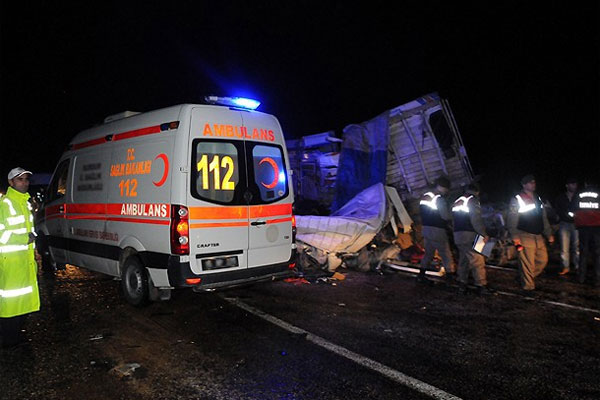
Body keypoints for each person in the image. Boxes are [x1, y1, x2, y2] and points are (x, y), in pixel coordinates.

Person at [0, 167, 40, 347]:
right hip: (11, 262)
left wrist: (33, 248)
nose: (24, 183)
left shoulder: (25, 202)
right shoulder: (6, 203)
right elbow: (2, 235)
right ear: (11, 183)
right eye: (20, 180)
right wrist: (25, 239)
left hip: (24, 261)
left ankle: (15, 336)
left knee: (21, 302)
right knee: (10, 303)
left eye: (26, 179)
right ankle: (9, 340)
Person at [507, 174, 554, 293]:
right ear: (524, 185)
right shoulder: (517, 199)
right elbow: (512, 219)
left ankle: (524, 277)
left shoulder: (537, 198)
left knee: (543, 260)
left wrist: (549, 234)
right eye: (530, 182)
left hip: (538, 236)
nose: (533, 184)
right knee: (527, 263)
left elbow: (543, 218)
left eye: (534, 182)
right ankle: (528, 288)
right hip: (524, 235)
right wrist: (515, 236)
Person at [452, 183, 494, 295]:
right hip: (470, 235)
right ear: (477, 192)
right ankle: (481, 285)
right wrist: (484, 234)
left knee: (464, 260)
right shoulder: (472, 200)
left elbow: (453, 220)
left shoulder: (458, 201)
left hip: (458, 235)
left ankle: (462, 283)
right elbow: (476, 220)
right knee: (477, 260)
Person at [417, 176, 456, 284]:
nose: (447, 191)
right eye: (447, 189)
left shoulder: (425, 196)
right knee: (446, 253)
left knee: (428, 254)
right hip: (437, 230)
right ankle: (450, 276)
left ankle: (421, 275)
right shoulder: (439, 199)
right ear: (443, 187)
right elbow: (445, 216)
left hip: (426, 228)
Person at [572, 181, 600, 287]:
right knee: (597, 254)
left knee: (583, 252)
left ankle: (581, 277)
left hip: (583, 227)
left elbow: (572, 209)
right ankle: (597, 278)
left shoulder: (579, 193)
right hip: (597, 227)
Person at [553, 178, 579, 275]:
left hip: (576, 224)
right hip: (564, 224)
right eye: (572, 184)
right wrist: (564, 215)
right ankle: (565, 267)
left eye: (575, 184)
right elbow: (558, 209)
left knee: (576, 247)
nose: (574, 186)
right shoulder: (561, 197)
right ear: (567, 185)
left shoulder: (578, 197)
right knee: (564, 248)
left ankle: (577, 266)